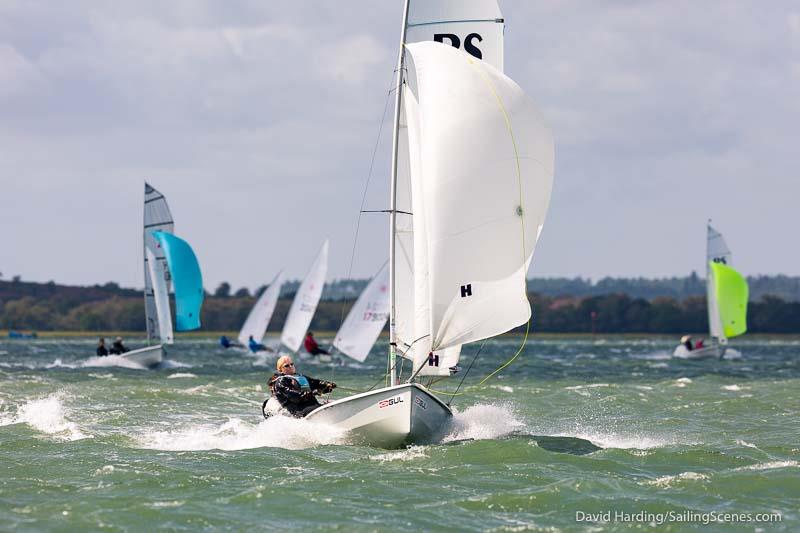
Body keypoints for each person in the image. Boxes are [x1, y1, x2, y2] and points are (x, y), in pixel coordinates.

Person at [271, 355, 336, 417]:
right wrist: (309, 393)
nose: (290, 366)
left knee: (330, 406)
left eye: (292, 364)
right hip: (298, 410)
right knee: (319, 408)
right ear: (280, 370)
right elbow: (293, 396)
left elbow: (316, 383)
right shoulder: (280, 382)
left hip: (312, 406)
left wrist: (327, 385)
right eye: (286, 366)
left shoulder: (300, 377)